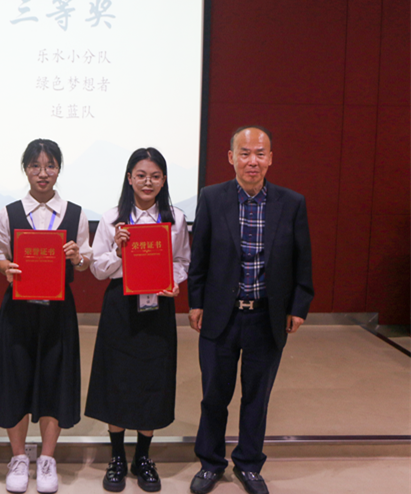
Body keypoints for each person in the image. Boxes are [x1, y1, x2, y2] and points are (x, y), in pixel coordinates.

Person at [187, 126, 313, 494]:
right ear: (231, 158)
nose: (252, 161)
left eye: (260, 153)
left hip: (266, 316)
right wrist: (196, 302)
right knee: (215, 395)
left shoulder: (292, 203)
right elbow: (200, 256)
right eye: (244, 153)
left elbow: (303, 260)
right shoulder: (212, 198)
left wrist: (299, 306)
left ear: (270, 158)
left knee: (257, 396)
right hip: (220, 315)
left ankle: (249, 463)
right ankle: (210, 463)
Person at [0, 139, 92, 494]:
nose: (42, 173)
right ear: (25, 170)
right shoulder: (9, 212)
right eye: (35, 166)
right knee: (14, 378)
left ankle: (47, 459)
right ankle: (18, 458)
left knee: (55, 379)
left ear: (59, 169)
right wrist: (7, 268)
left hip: (58, 311)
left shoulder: (75, 213)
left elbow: (85, 260)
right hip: (18, 310)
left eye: (50, 166)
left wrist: (77, 257)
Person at [85, 148, 190, 493]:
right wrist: (118, 249)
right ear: (129, 178)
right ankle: (117, 457)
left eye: (155, 176)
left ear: (164, 180)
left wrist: (173, 281)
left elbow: (182, 261)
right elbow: (98, 270)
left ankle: (142, 457)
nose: (148, 182)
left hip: (158, 307)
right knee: (117, 379)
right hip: (121, 306)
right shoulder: (112, 218)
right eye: (141, 175)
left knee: (153, 380)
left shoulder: (175, 218)